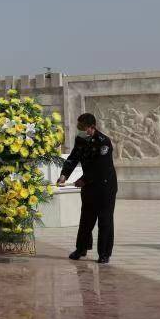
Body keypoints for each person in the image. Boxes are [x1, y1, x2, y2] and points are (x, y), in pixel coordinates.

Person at [57, 113, 117, 264]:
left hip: (105, 186)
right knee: (86, 219)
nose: (80, 130)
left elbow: (101, 167)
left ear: (91, 127)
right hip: (90, 186)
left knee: (105, 220)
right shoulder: (81, 140)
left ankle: (104, 254)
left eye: (82, 128)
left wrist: (83, 179)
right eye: (79, 127)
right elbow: (73, 158)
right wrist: (64, 175)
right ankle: (81, 248)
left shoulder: (103, 142)